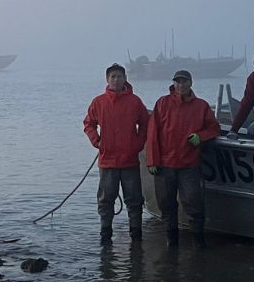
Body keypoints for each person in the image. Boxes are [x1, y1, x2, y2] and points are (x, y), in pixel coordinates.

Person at [147, 70, 220, 246]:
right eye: (178, 82)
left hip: (189, 165)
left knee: (194, 204)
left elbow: (214, 128)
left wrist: (200, 137)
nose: (181, 85)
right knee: (166, 205)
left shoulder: (201, 106)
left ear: (191, 83)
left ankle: (198, 244)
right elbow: (152, 134)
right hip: (165, 165)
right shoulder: (162, 103)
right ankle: (171, 242)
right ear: (173, 84)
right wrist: (152, 161)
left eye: (184, 81)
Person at [82, 63, 149, 245]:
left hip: (130, 161)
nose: (116, 80)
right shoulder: (99, 102)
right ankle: (105, 235)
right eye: (113, 77)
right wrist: (97, 141)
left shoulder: (135, 102)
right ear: (107, 80)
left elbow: (145, 123)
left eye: (119, 76)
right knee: (106, 201)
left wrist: (138, 143)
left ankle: (136, 235)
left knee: (134, 201)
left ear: (125, 79)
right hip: (108, 161)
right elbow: (89, 124)